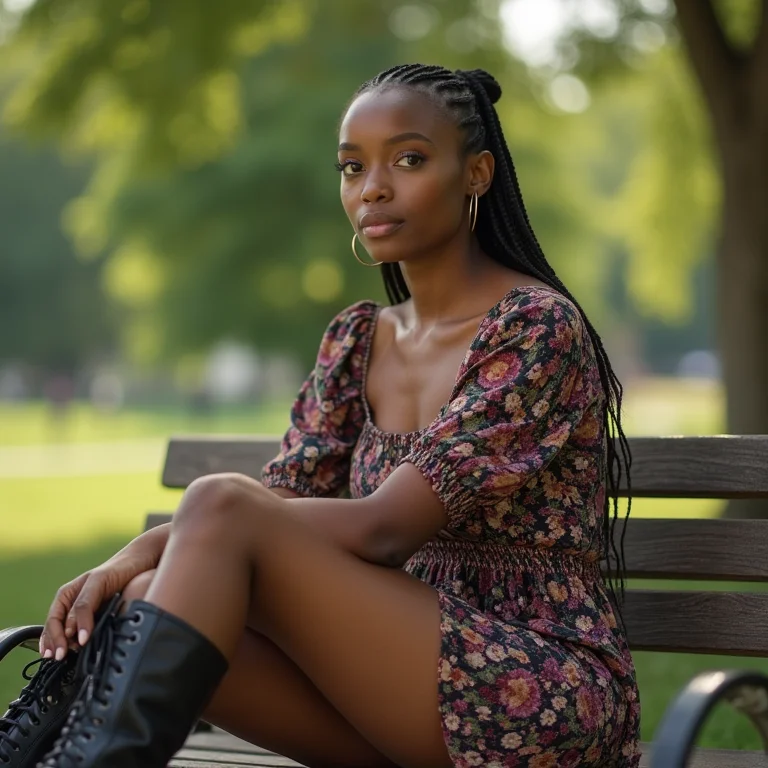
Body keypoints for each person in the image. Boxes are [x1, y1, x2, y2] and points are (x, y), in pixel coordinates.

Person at [0, 63, 640, 768]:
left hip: (534, 694)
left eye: (409, 159)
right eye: (351, 167)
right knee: (149, 594)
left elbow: (384, 529)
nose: (373, 188)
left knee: (212, 509)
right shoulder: (357, 341)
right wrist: (142, 563)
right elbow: (283, 500)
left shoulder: (534, 327)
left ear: (478, 173)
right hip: (384, 685)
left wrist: (145, 545)